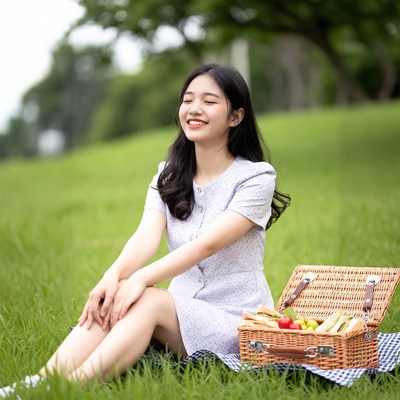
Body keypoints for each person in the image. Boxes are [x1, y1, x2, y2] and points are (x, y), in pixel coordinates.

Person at [0, 63, 290, 396]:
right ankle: (38, 383)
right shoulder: (169, 174)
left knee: (146, 297)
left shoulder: (256, 178)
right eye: (188, 100)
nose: (194, 109)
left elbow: (207, 244)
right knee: (116, 295)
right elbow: (144, 238)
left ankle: (64, 390)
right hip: (180, 313)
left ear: (235, 117)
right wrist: (112, 277)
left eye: (209, 102)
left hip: (235, 322)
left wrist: (141, 279)